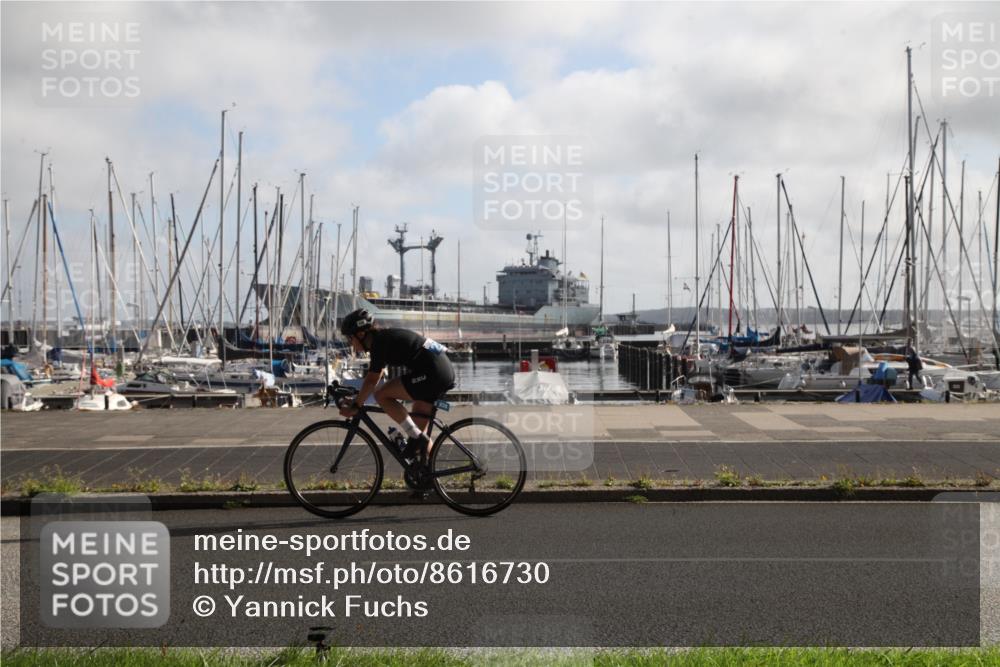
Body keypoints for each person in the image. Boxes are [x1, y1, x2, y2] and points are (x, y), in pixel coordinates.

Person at [337, 308, 455, 463]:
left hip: (434, 372)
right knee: (419, 434)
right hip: (440, 369)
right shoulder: (384, 338)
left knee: (382, 395)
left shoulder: (379, 343)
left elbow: (372, 380)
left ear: (360, 334)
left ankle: (416, 438)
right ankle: (429, 476)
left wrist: (356, 404)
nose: (349, 343)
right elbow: (374, 378)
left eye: (349, 338)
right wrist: (358, 399)